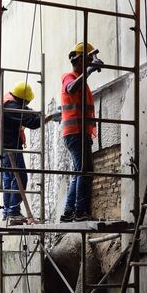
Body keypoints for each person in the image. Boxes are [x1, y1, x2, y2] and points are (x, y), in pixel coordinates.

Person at [59, 42, 103, 222]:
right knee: (85, 170)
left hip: (78, 132)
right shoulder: (69, 77)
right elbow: (70, 89)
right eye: (88, 60)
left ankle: (69, 212)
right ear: (79, 60)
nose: (89, 64)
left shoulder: (80, 80)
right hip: (75, 132)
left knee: (80, 170)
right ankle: (79, 212)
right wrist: (90, 71)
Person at [0, 81, 42, 224]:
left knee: (9, 179)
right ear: (22, 99)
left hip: (5, 147)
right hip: (10, 148)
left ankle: (8, 212)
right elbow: (33, 122)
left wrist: (34, 113)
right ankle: (13, 211)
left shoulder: (8, 101)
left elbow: (26, 111)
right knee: (20, 178)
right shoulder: (11, 107)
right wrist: (41, 116)